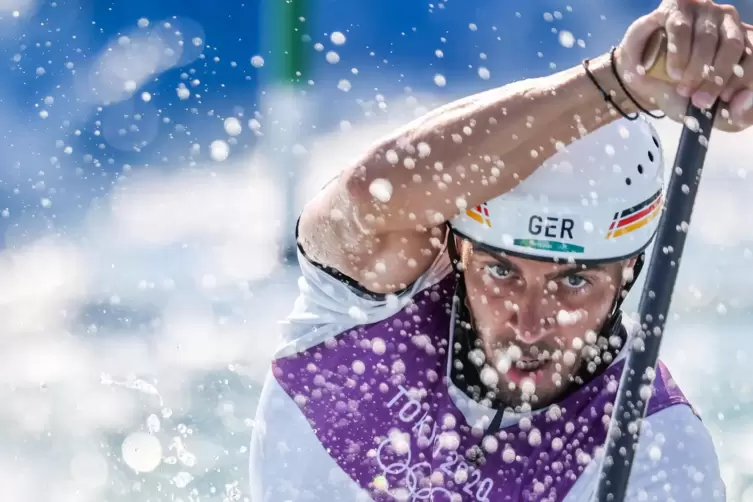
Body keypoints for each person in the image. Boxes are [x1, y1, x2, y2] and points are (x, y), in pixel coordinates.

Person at [250, 0, 753, 500]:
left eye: (573, 281)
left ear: (630, 272)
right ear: (456, 246)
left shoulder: (656, 454)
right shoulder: (372, 308)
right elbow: (369, 194)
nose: (529, 323)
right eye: (501, 272)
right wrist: (620, 81)